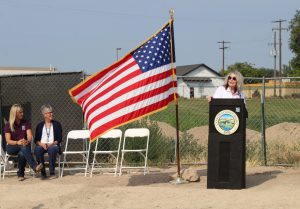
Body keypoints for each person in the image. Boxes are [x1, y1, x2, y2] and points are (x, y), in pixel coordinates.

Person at [4, 104, 43, 181]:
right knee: (23, 147)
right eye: (20, 112)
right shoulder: (8, 125)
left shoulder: (25, 122)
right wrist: (17, 142)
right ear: (15, 113)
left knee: (22, 153)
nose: (22, 114)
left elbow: (29, 135)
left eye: (22, 112)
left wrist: (27, 140)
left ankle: (20, 174)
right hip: (12, 146)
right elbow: (8, 140)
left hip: (24, 145)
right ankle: (35, 166)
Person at [34, 104, 62, 179]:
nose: (51, 114)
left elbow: (59, 139)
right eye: (49, 112)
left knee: (52, 149)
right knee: (37, 149)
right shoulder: (39, 125)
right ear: (44, 114)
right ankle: (43, 173)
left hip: (53, 145)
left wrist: (52, 143)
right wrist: (41, 144)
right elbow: (36, 140)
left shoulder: (57, 124)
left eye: (52, 112)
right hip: (42, 145)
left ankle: (52, 173)